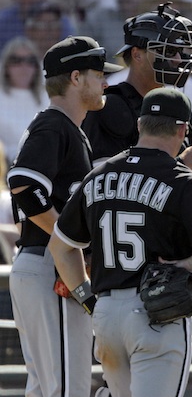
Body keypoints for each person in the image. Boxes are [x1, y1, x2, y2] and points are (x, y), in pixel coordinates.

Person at [48, 88, 192, 397]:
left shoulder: (99, 175)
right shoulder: (180, 177)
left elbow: (61, 247)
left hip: (107, 315)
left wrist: (88, 300)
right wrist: (191, 265)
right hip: (157, 315)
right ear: (183, 130)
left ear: (140, 125)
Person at [7, 35, 123, 397]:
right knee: (65, 389)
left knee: (47, 388)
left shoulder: (68, 128)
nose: (106, 81)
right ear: (76, 78)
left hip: (41, 264)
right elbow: (23, 184)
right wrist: (65, 243)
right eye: (98, 73)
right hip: (49, 267)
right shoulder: (55, 124)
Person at [81, 2, 192, 170]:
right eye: (168, 51)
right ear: (137, 55)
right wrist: (182, 165)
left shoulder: (178, 107)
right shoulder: (108, 107)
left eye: (180, 51)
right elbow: (108, 184)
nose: (177, 59)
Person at [0, 36, 49, 164]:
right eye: (16, 60)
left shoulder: (48, 97)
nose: (24, 66)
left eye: (30, 61)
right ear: (6, 66)